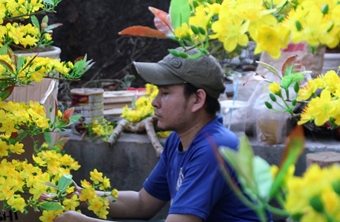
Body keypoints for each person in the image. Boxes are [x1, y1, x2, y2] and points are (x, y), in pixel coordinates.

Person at [55, 48, 263, 222]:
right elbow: (142, 203)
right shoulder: (178, 140)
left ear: (197, 100)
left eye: (165, 93)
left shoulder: (214, 148)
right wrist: (80, 195)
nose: (155, 102)